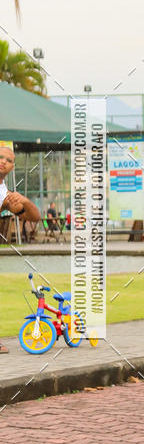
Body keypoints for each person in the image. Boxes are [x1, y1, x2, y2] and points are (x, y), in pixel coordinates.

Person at [0, 146, 41, 354]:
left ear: (12, 167)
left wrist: (24, 201)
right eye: (0, 157)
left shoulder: (6, 194)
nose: (3, 161)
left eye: (8, 160)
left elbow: (35, 217)